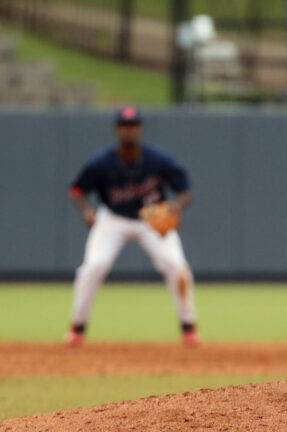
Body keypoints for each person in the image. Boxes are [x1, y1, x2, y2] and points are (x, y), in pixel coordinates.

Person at [66, 106, 199, 347]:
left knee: (177, 266)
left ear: (140, 129)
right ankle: (78, 326)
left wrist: (176, 206)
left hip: (152, 218)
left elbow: (186, 190)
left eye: (133, 126)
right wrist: (86, 210)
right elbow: (77, 190)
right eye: (125, 126)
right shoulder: (101, 163)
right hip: (113, 219)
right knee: (94, 266)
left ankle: (188, 326)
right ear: (117, 129)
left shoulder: (158, 159)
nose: (129, 131)